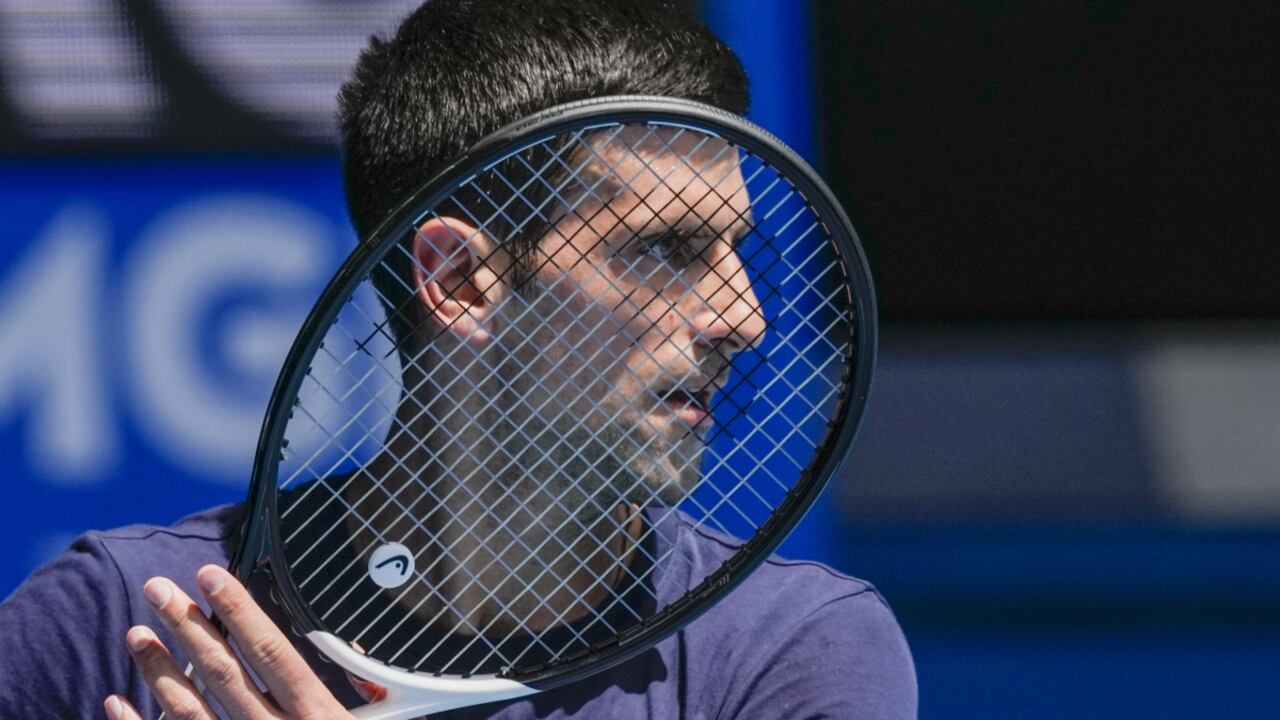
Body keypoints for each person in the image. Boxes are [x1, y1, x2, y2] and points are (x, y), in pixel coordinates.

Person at [0, 1, 917, 718]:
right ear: (463, 281)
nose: (743, 318)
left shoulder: (793, 653)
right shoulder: (108, 624)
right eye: (664, 250)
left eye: (735, 250)